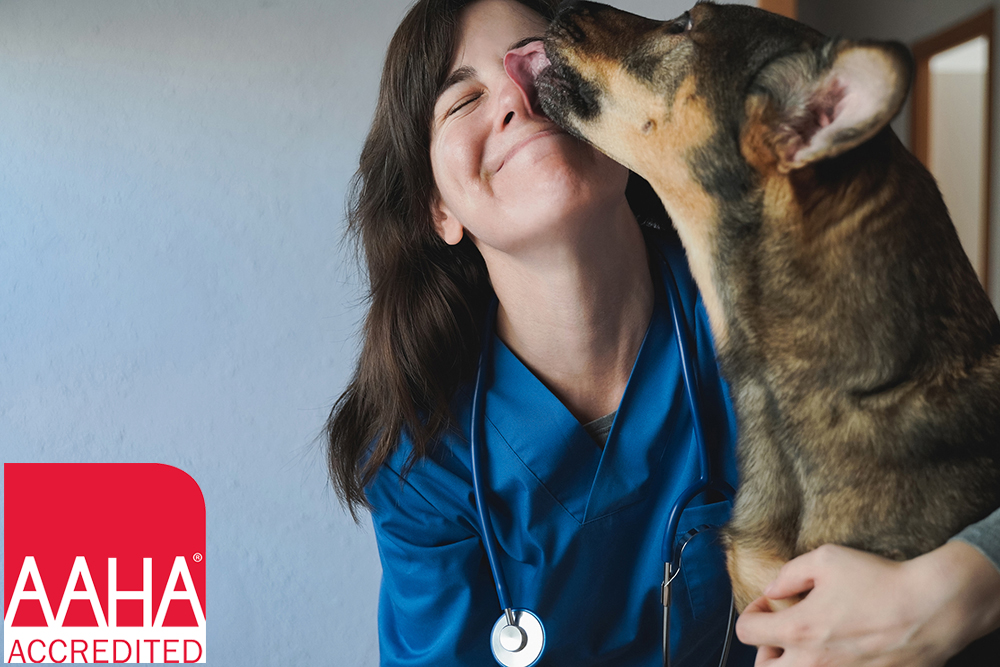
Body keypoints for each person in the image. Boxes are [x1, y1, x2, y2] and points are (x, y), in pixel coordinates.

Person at [325, 0, 1000, 664]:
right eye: (462, 102)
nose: (515, 99)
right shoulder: (422, 455)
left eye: (537, 69)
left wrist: (955, 587)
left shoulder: (780, 318)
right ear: (437, 209)